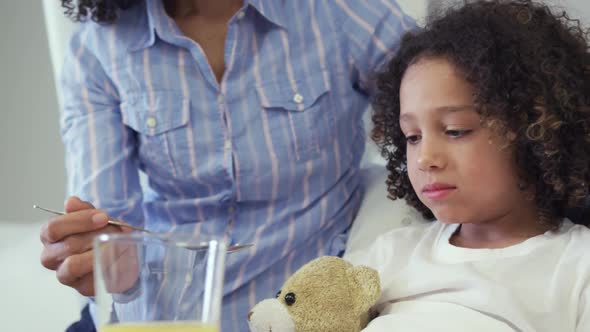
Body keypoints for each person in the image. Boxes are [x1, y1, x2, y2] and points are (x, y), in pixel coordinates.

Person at [39, 0, 417, 331]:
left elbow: (454, 97)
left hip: (294, 317)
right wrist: (102, 268)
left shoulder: (339, 13)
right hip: (162, 317)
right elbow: (107, 229)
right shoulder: (97, 48)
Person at [344, 0, 590, 331]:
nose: (426, 158)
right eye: (412, 137)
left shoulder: (577, 267)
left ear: (537, 130)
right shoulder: (390, 254)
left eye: (456, 131)